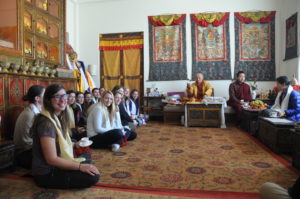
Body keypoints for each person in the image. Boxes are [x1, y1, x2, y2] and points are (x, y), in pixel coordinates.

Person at [31, 84, 100, 189]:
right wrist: (80, 167)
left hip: (56, 167)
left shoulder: (57, 117)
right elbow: (51, 159)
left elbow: (59, 143)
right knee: (92, 177)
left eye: (64, 96)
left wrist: (75, 144)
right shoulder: (46, 123)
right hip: (47, 173)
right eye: (57, 97)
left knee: (87, 161)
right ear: (48, 100)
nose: (63, 100)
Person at [14, 85, 45, 169]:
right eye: (44, 95)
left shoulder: (37, 111)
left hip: (32, 150)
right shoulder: (29, 114)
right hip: (25, 153)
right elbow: (26, 142)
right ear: (37, 98)